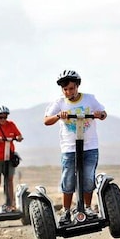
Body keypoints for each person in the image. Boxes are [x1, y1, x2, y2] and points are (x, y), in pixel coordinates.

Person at [44, 70, 106, 225]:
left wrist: (100, 114)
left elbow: (103, 113)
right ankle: (66, 211)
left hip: (90, 146)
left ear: (77, 86)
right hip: (69, 148)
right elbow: (46, 120)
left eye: (71, 88)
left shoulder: (89, 99)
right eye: (65, 89)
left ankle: (87, 207)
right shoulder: (59, 102)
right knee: (68, 179)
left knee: (87, 177)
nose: (68, 92)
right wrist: (59, 116)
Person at [0, 105, 24, 214]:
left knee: (9, 180)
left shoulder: (11, 125)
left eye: (4, 117)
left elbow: (19, 135)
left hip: (8, 157)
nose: (2, 119)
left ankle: (11, 205)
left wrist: (19, 138)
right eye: (0, 117)